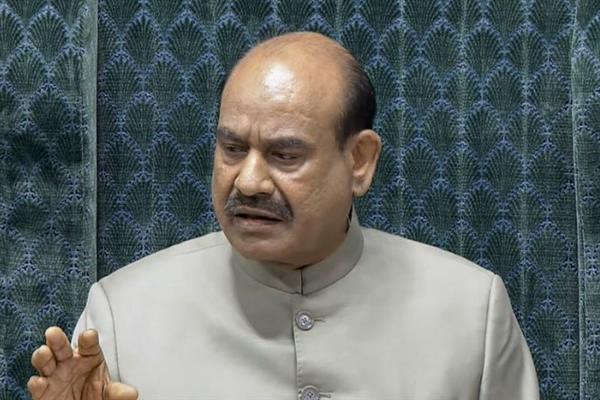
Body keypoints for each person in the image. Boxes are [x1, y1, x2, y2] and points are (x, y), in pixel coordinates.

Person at [28, 32, 539, 400]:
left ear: (360, 161)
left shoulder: (472, 313)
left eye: (285, 155)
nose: (248, 181)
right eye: (232, 149)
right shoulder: (122, 314)